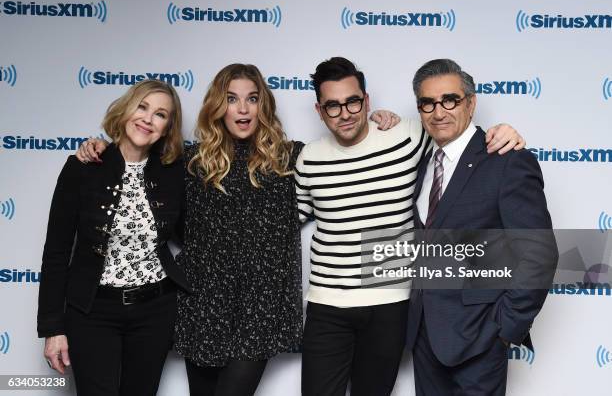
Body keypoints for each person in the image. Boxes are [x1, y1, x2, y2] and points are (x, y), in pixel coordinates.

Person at [75, 63, 399, 396]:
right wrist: (100, 147)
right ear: (218, 106)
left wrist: (380, 121)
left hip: (261, 308)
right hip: (203, 305)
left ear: (264, 105)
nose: (243, 108)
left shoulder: (289, 158)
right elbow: (138, 159)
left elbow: (345, 151)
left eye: (252, 98)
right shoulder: (190, 162)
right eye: (231, 99)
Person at [295, 57, 525, 396]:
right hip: (327, 305)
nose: (345, 113)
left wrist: (504, 130)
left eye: (353, 102)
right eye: (332, 106)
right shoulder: (309, 158)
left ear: (367, 100)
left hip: (391, 301)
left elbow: (460, 138)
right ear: (319, 110)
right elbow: (285, 220)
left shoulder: (409, 135)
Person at [405, 59, 558, 396]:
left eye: (450, 100)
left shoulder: (506, 160)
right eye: (427, 103)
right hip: (425, 336)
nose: (438, 111)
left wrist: (505, 328)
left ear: (471, 104)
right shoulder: (422, 163)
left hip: (479, 339)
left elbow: (538, 254)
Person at [37, 79, 191, 396]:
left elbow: (194, 232)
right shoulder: (83, 166)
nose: (148, 119)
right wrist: (53, 328)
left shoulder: (175, 171)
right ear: (126, 109)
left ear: (167, 128)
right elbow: (56, 252)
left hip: (155, 311)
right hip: (92, 311)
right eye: (143, 107)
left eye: (161, 114)